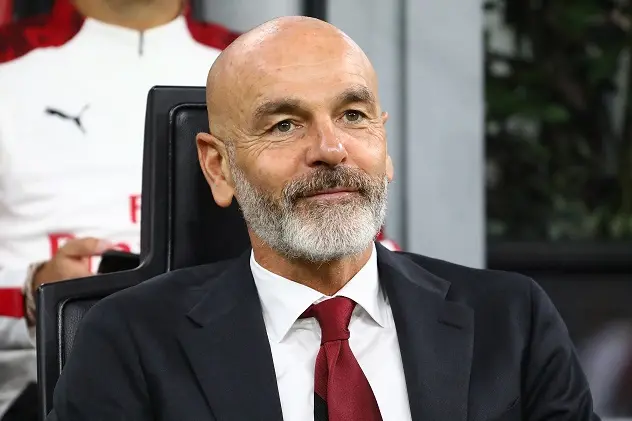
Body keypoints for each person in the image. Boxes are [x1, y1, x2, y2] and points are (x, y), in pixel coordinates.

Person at [46, 16, 600, 421]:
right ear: (219, 167)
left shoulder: (512, 319)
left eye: (352, 115)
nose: (330, 149)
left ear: (383, 145)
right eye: (285, 124)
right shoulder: (130, 340)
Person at [0, 0, 240, 418]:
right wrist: (34, 293)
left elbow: (357, 245)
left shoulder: (257, 62)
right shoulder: (9, 61)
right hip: (41, 382)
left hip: (230, 363)